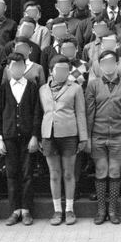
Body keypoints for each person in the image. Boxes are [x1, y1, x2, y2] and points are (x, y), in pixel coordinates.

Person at [86, 50, 121, 225]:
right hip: (98, 137)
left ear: (117, 64)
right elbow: (89, 113)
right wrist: (88, 138)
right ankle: (101, 210)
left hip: (119, 136)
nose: (108, 66)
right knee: (101, 171)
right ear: (100, 66)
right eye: (104, 63)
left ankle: (112, 210)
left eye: (111, 63)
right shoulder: (93, 85)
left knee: (115, 172)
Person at [39, 55, 88, 226]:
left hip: (69, 135)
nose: (62, 73)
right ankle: (57, 210)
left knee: (68, 173)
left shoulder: (75, 88)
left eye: (65, 70)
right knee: (54, 174)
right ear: (51, 71)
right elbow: (41, 113)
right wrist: (40, 136)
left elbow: (81, 113)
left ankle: (69, 209)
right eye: (58, 69)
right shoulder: (42, 89)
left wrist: (83, 137)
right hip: (49, 135)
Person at [0, 52, 42, 226]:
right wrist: (0, 138)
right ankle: (14, 210)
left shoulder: (32, 87)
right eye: (13, 66)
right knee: (12, 174)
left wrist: (35, 137)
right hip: (9, 138)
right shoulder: (3, 88)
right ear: (8, 68)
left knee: (27, 174)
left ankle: (26, 210)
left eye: (20, 65)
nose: (17, 69)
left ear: (24, 67)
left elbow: (37, 113)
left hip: (27, 137)